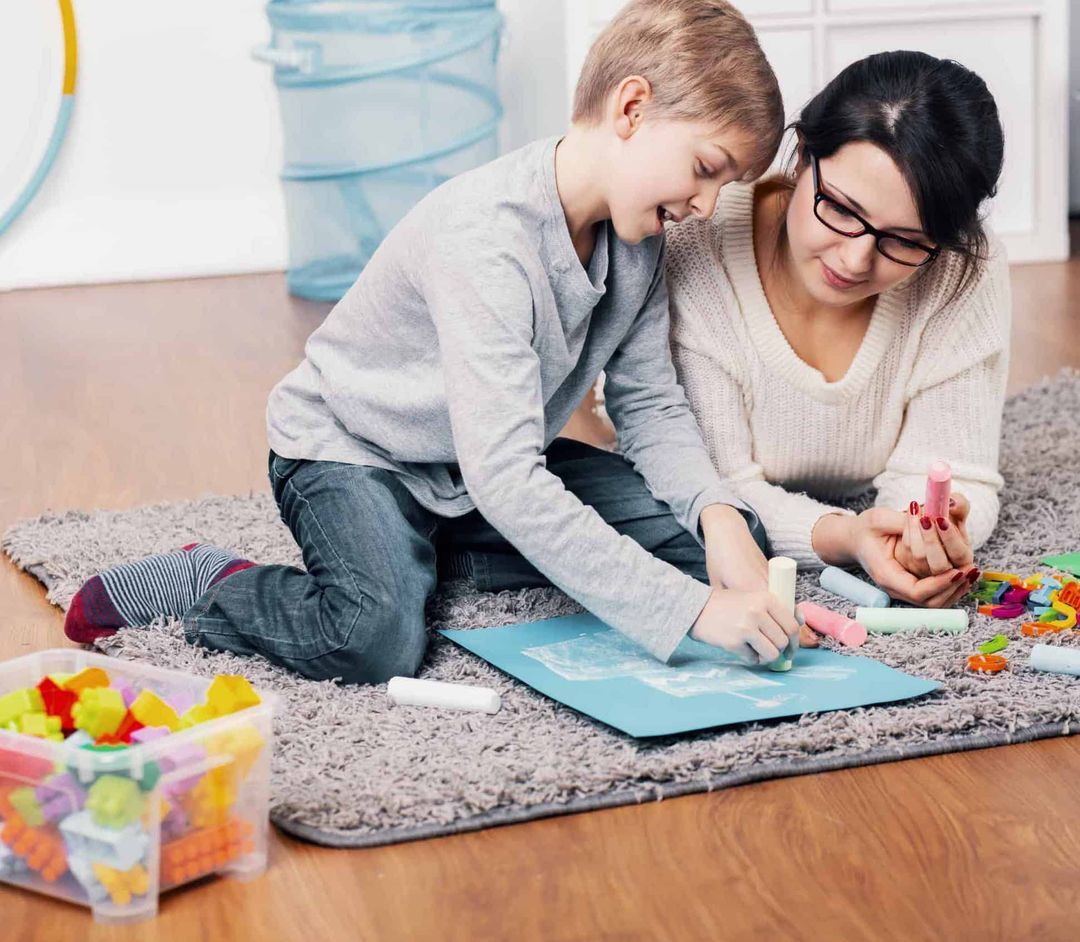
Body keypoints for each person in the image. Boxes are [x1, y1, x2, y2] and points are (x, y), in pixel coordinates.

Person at [64, 0, 813, 681]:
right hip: (355, 452)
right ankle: (217, 583)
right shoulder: (486, 239)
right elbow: (512, 480)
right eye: (706, 170)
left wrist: (717, 518)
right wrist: (688, 616)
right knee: (372, 637)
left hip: (475, 461)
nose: (707, 205)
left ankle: (427, 551)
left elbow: (649, 405)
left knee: (714, 547)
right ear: (631, 107)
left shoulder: (641, 244)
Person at [664, 50, 1009, 607]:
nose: (854, 261)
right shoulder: (698, 240)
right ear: (802, 156)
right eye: (842, 209)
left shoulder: (959, 269)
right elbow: (713, 491)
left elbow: (957, 470)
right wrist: (847, 536)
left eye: (905, 240)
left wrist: (919, 538)